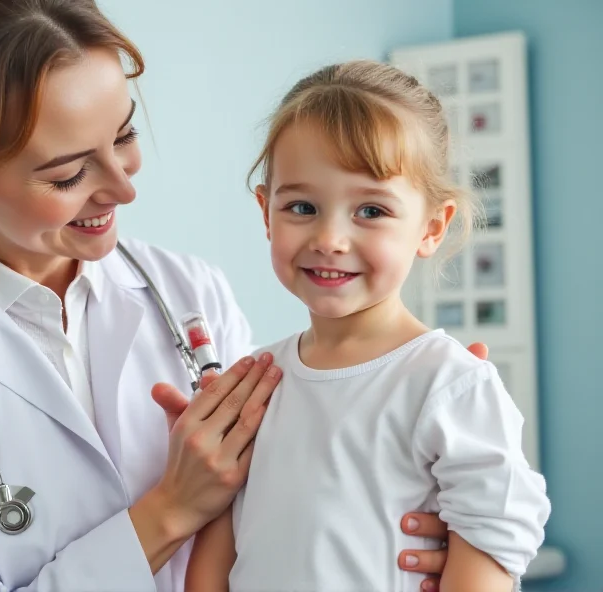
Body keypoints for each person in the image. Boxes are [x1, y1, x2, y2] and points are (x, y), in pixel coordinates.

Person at [0, 2, 489, 590]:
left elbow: (278, 512)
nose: (123, 187)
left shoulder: (189, 293)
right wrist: (171, 508)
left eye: (125, 136)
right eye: (68, 173)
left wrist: (411, 453)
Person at [184, 60, 551, 592]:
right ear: (266, 213)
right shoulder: (255, 385)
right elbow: (213, 561)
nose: (330, 238)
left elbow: (491, 543)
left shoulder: (449, 384)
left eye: (371, 211)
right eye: (303, 206)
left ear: (431, 227)